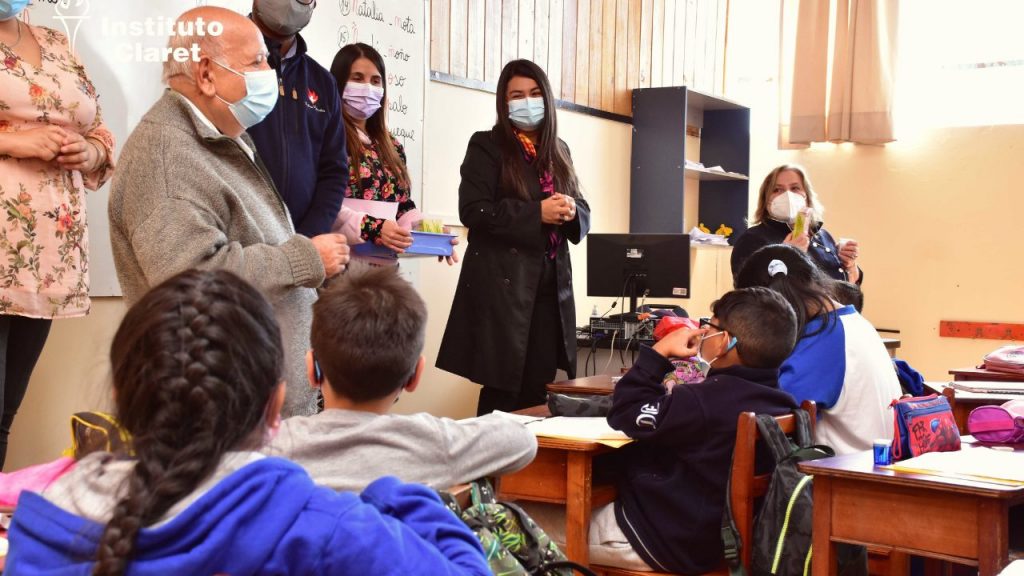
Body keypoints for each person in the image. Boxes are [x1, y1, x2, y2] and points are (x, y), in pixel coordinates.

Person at [4, 269, 490, 575]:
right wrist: (401, 497)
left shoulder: (40, 524)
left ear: (120, 397)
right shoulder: (323, 529)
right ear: (276, 405)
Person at [108, 7, 349, 417]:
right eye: (256, 62)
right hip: (217, 420)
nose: (270, 75)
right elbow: (193, 282)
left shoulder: (220, 136)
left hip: (254, 413)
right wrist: (305, 259)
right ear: (206, 73)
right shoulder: (166, 157)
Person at [525, 287, 800, 572]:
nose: (703, 331)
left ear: (723, 342)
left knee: (512, 518)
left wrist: (659, 352)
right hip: (714, 543)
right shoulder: (783, 403)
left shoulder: (704, 401)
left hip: (659, 540)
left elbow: (625, 412)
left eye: (710, 326)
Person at [267, 266, 537, 492]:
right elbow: (521, 440)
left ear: (311, 368)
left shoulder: (273, 445)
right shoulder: (431, 443)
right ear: (414, 375)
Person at [437, 59, 590, 415]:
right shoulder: (487, 145)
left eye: (534, 93)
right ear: (504, 103)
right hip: (504, 291)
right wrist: (537, 213)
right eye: (517, 95)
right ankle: (490, 454)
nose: (527, 102)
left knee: (539, 391)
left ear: (547, 98)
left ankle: (528, 453)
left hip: (550, 289)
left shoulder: (559, 150)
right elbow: (473, 210)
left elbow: (582, 208)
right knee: (502, 393)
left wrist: (570, 210)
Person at [0, 2, 115, 468]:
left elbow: (99, 129)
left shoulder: (55, 41)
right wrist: (13, 141)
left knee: (4, 415)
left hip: (47, 261)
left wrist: (90, 152)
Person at [735, 244, 901, 455]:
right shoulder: (855, 323)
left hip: (844, 470)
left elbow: (769, 410)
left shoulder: (825, 339)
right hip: (873, 463)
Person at [329, 43, 457, 266]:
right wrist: (373, 227)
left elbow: (402, 206)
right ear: (338, 83)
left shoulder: (391, 146)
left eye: (375, 81)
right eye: (357, 78)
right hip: (340, 265)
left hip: (384, 269)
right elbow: (323, 204)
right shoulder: (327, 137)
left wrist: (431, 232)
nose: (368, 88)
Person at [246, 0, 348, 237]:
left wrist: (307, 240)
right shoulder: (222, 61)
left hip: (304, 241)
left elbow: (333, 171)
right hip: (238, 240)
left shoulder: (322, 82)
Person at [731, 164, 862, 284]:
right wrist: (787, 256)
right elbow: (749, 290)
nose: (787, 195)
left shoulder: (822, 236)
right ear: (766, 200)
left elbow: (846, 287)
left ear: (807, 196)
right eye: (777, 190)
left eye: (795, 188)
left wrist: (850, 265)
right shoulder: (753, 239)